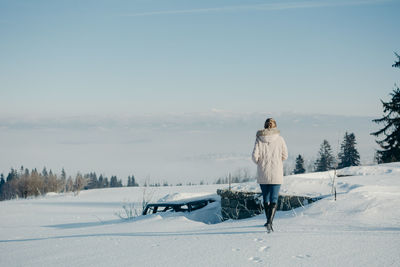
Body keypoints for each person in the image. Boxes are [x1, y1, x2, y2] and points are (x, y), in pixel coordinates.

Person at [252, 118, 288, 232]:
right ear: (275, 127)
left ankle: (268, 221)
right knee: (274, 199)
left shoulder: (259, 138)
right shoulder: (280, 139)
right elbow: (285, 155)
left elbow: (254, 156)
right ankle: (270, 222)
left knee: (265, 198)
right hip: (276, 172)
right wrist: (278, 161)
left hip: (263, 172)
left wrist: (260, 163)